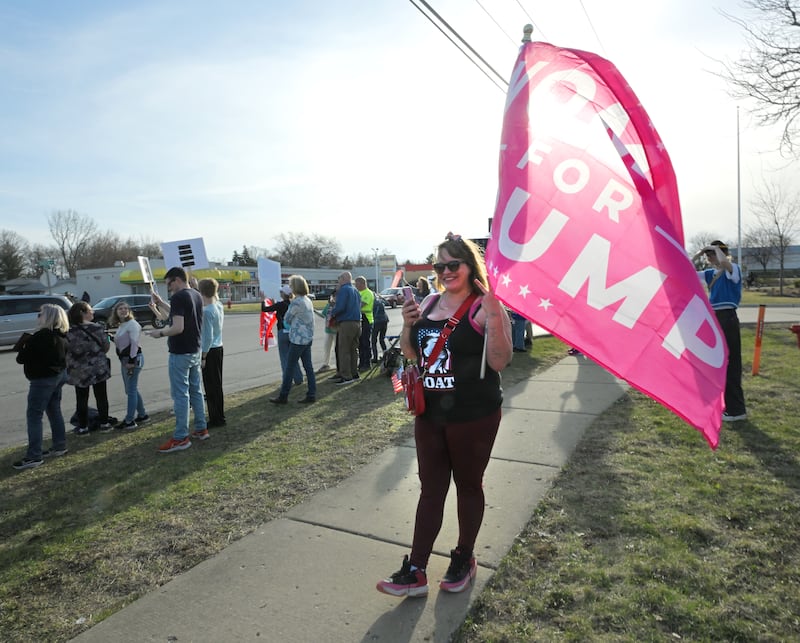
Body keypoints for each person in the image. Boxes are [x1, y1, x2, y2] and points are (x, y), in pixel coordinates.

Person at [376, 232, 512, 598]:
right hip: (430, 414)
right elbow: (410, 355)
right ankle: (416, 569)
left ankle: (464, 556)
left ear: (470, 265)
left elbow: (500, 361)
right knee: (430, 490)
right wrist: (407, 324)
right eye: (440, 265)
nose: (447, 271)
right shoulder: (431, 301)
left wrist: (498, 317)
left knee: (468, 486)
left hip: (474, 414)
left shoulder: (485, 304)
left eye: (454, 264)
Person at [147, 267, 208, 452]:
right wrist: (161, 303)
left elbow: (178, 326)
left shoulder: (180, 296)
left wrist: (160, 333)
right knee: (195, 391)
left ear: (177, 280)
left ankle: (181, 437)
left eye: (169, 284)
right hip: (194, 350)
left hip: (180, 352)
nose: (169, 288)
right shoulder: (195, 295)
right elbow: (179, 313)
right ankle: (201, 428)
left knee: (181, 394)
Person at [694, 240, 748, 422]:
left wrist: (717, 249)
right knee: (717, 362)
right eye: (708, 255)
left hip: (728, 317)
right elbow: (686, 270)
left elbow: (725, 264)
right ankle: (724, 404)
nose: (709, 258)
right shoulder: (710, 274)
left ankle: (736, 410)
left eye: (712, 255)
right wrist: (698, 254)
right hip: (715, 318)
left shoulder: (732, 269)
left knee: (731, 363)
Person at [12, 304, 70, 469]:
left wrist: (24, 346)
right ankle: (59, 445)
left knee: (34, 415)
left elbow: (21, 359)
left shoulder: (40, 336)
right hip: (58, 375)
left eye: (41, 314)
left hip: (43, 379)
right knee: (54, 410)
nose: (38, 317)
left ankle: (34, 456)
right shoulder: (62, 336)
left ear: (49, 317)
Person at [66, 301, 112, 435]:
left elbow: (66, 350)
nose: (93, 312)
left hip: (78, 370)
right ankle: (104, 423)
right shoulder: (97, 328)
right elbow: (106, 346)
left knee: (81, 398)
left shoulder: (68, 331)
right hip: (98, 368)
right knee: (101, 396)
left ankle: (83, 427)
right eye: (90, 310)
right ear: (82, 313)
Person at [269, 275, 317, 404]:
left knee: (289, 367)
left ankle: (283, 396)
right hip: (307, 338)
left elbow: (287, 318)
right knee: (308, 367)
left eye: (291, 285)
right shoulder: (307, 300)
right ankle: (312, 393)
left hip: (298, 339)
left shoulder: (297, 302)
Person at [109, 300, 149, 430]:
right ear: (116, 312)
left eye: (126, 308)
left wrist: (131, 362)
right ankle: (142, 415)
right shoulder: (123, 325)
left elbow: (134, 344)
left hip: (133, 360)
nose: (123, 310)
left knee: (131, 390)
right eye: (120, 308)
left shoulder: (132, 324)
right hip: (125, 360)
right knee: (131, 389)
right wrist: (111, 337)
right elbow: (122, 344)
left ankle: (129, 420)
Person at [262, 285, 303, 387]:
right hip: (292, 332)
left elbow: (265, 309)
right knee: (293, 357)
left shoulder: (280, 305)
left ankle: (287, 381)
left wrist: (263, 300)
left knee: (285, 358)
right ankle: (298, 378)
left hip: (282, 332)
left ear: (283, 294)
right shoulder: (293, 304)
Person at [199, 278, 226, 428]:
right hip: (219, 347)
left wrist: (203, 356)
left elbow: (207, 337)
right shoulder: (218, 305)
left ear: (201, 292)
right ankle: (219, 415)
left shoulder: (206, 312)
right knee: (217, 385)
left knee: (211, 386)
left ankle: (216, 418)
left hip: (210, 350)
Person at [329, 272, 362, 385]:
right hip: (357, 322)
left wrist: (332, 313)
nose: (339, 280)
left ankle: (346, 376)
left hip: (346, 322)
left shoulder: (344, 290)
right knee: (354, 349)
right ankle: (354, 373)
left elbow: (341, 306)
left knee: (344, 350)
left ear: (343, 279)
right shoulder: (355, 290)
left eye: (339, 278)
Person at [355, 276, 374, 371]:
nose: (356, 286)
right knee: (360, 343)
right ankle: (361, 362)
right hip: (359, 319)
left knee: (365, 342)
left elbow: (361, 305)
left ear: (362, 283)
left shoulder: (368, 293)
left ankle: (367, 362)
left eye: (357, 284)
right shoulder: (358, 292)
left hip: (366, 319)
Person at [316, 291, 337, 373]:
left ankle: (339, 363)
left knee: (337, 348)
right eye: (333, 296)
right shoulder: (329, 305)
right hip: (328, 330)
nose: (334, 298)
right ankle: (326, 364)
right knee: (327, 347)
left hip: (336, 330)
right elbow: (323, 314)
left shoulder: (339, 305)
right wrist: (314, 311)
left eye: (335, 296)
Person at [371, 293, 389, 363]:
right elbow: (387, 302)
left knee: (373, 340)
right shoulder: (380, 301)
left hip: (377, 322)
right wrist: (381, 297)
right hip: (384, 320)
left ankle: (375, 357)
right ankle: (386, 356)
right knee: (382, 339)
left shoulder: (372, 303)